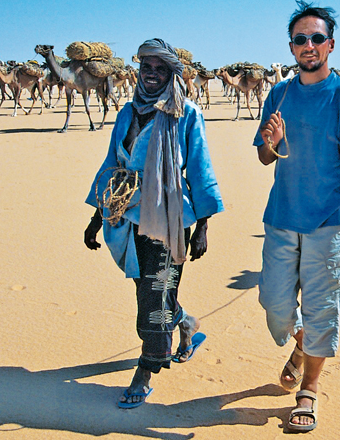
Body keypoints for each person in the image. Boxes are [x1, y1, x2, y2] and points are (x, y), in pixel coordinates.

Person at [254, 0, 340, 433]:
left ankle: (309, 389)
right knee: (274, 305)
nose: (309, 45)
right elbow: (266, 158)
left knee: (323, 308)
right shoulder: (278, 94)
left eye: (317, 38)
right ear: (291, 48)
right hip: (282, 218)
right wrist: (272, 141)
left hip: (329, 221)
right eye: (301, 39)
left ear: (331, 45)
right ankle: (304, 343)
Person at [84, 38, 223, 409]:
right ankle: (185, 324)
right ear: (139, 70)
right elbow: (112, 164)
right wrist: (96, 216)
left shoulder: (186, 113)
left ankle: (146, 370)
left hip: (169, 218)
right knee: (149, 288)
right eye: (147, 67)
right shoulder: (128, 113)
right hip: (127, 214)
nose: (152, 75)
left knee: (152, 295)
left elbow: (200, 168)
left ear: (171, 74)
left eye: (160, 69)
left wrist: (204, 227)